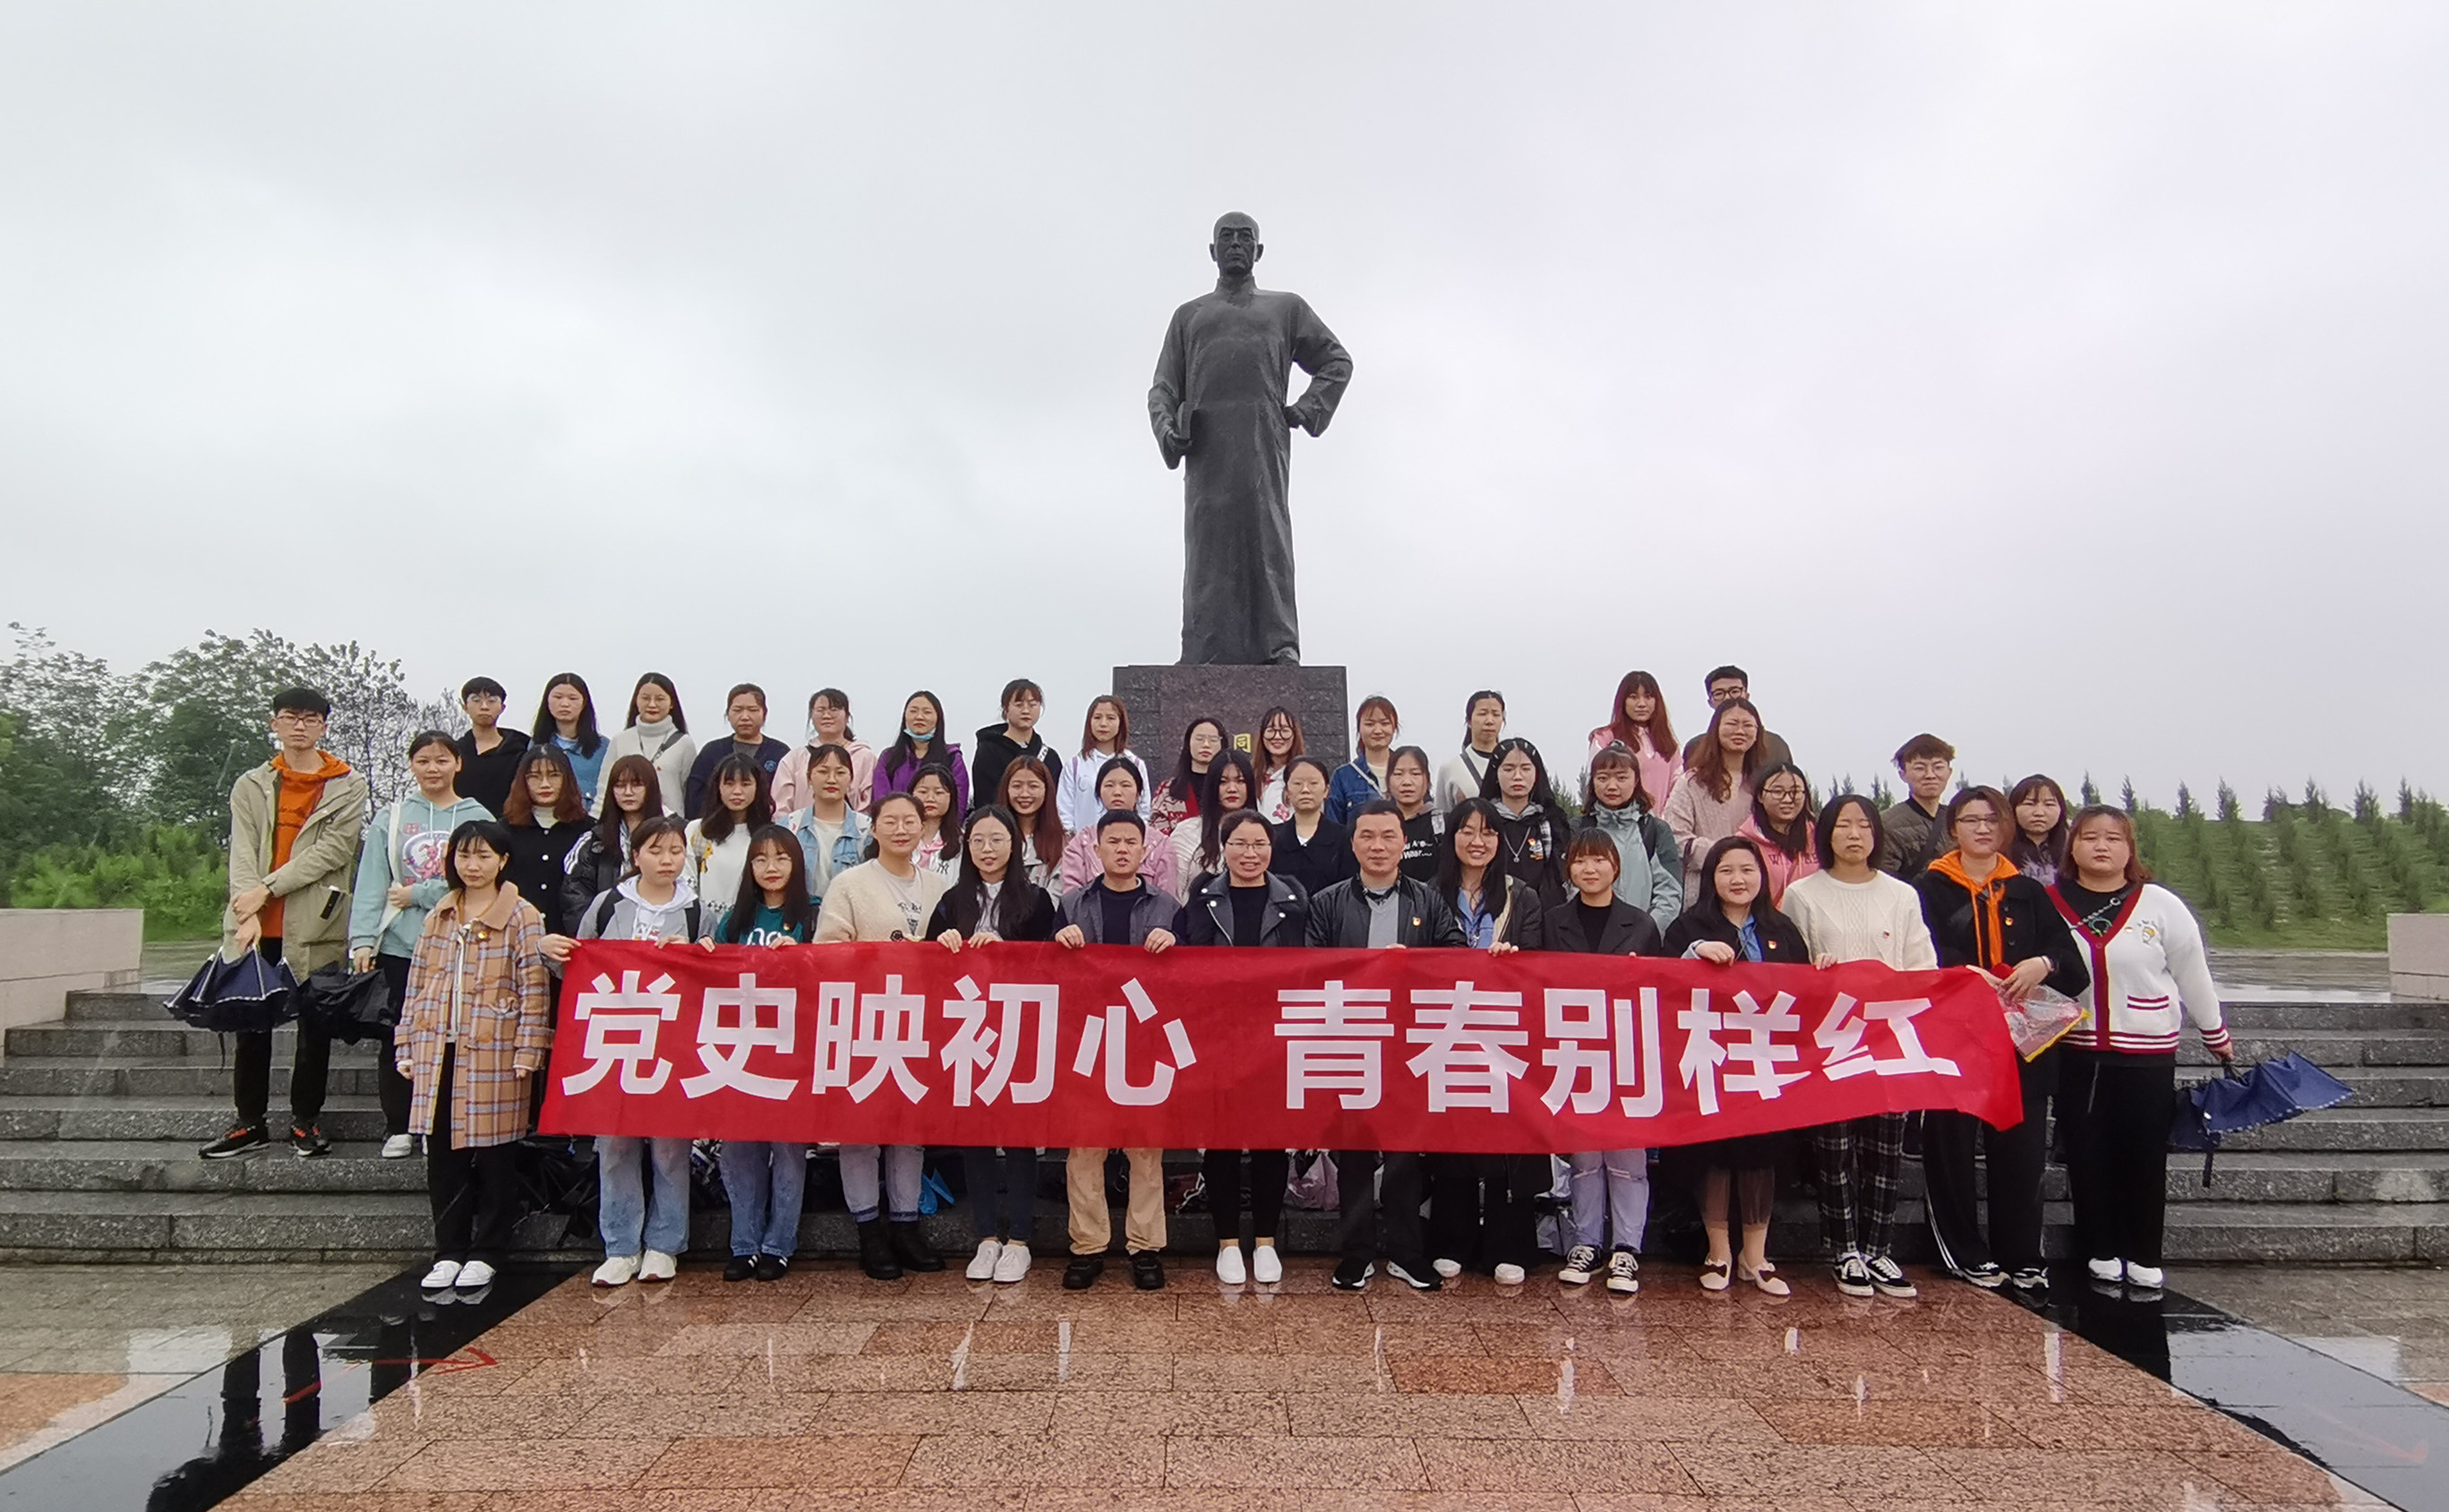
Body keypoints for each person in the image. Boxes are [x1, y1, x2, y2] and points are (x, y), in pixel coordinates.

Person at [2049, 806, 2235, 1293]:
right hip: (2077, 1049)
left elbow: (2192, 971)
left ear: (2130, 849)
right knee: (2087, 1153)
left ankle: (2145, 1252)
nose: (2101, 846)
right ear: (2072, 846)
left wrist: (2214, 1031)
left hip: (2147, 1053)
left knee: (2144, 1154)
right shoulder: (2049, 901)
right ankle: (2101, 1248)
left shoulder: (2159, 904)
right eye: (2090, 837)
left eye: (2114, 838)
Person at [1914, 785, 2090, 1293]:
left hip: (2020, 1043)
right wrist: (1961, 972)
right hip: (1951, 1040)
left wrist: (2043, 963)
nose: (1982, 829)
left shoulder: (2027, 891)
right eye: (1971, 820)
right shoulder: (1927, 888)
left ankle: (2022, 1256)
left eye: (1992, 820)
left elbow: (2071, 964)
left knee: (2021, 1150)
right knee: (1950, 1148)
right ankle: (1961, 1252)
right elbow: (1916, 955)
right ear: (1953, 829)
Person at [201, 688, 370, 1162]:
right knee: (250, 1025)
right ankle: (248, 1122)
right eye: (291, 717)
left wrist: (267, 889)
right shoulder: (251, 784)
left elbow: (333, 851)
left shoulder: (347, 784)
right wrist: (249, 910)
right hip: (256, 925)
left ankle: (305, 1120)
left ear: (323, 727)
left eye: (311, 718)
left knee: (315, 1028)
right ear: (274, 723)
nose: (300, 725)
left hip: (315, 923)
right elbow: (241, 851)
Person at [1783, 796, 1938, 1300]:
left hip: (1888, 1039)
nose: (1854, 834)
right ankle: (1844, 1249)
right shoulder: (1803, 894)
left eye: (1864, 825)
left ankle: (1879, 1249)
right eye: (1843, 825)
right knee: (1835, 1148)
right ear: (1826, 834)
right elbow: (1790, 966)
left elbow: (1921, 965)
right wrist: (1816, 971)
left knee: (1885, 1148)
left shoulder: (1901, 895)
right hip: (1829, 1041)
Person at [1309, 799, 1467, 1292]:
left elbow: (1456, 957)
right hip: (1350, 1038)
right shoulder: (1328, 902)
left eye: (1388, 836)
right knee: (1354, 1153)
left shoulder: (1429, 900)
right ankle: (1356, 1254)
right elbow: (1309, 970)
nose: (1378, 846)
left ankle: (1405, 1252)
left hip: (1408, 1042)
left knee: (1404, 1152)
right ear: (1353, 843)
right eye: (1367, 836)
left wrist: (1413, 965)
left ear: (1403, 843)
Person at [395, 821, 551, 1294]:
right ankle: (449, 1249)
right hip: (437, 1047)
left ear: (502, 861)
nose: (473, 865)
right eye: (464, 855)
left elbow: (534, 987)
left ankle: (488, 1249)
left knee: (496, 1152)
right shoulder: (440, 913)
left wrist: (529, 1048)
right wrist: (406, 1041)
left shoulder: (523, 915)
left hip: (494, 1048)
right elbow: (417, 983)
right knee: (442, 1154)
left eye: (484, 856)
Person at [1665, 835, 1811, 1296]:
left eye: (1747, 870)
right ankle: (1718, 1252)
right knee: (1714, 1153)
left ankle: (1756, 1256)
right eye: (1726, 870)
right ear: (1711, 878)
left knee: (1761, 1153)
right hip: (1708, 1058)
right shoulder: (1688, 927)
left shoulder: (1782, 929)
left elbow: (1805, 991)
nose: (1738, 879)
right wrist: (1694, 954)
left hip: (1766, 1061)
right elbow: (1662, 983)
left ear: (1762, 877)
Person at [813, 791, 947, 1279]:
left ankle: (906, 1225)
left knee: (910, 1127)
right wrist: (882, 956)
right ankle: (869, 1229)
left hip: (920, 1021)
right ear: (873, 829)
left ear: (923, 828)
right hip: (863, 1018)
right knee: (861, 1128)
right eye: (890, 821)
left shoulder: (938, 886)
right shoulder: (850, 884)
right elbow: (826, 950)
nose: (900, 829)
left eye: (910, 821)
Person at [1173, 809, 1308, 1285]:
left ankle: (1266, 1240)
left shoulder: (1293, 896)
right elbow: (1189, 959)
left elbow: (1311, 961)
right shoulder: (1203, 895)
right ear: (1224, 848)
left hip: (1275, 1033)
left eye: (1259, 844)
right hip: (1219, 1033)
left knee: (1271, 1141)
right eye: (1240, 844)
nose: (1250, 854)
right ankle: (1228, 1242)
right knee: (1223, 1140)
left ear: (1272, 848)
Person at [927, 807, 1059, 1286]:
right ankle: (986, 1237)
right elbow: (925, 968)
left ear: (1015, 845)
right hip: (967, 1032)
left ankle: (1019, 1240)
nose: (987, 849)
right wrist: (942, 943)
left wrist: (1004, 949)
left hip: (1020, 1030)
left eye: (997, 839)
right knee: (976, 1136)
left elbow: (1052, 964)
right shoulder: (951, 900)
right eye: (978, 840)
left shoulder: (1038, 901)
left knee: (1020, 1137)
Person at [342, 730, 486, 1158]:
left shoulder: (476, 816)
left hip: (459, 943)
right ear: (412, 765)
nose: (433, 769)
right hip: (400, 944)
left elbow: (480, 877)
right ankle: (400, 1124)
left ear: (458, 764)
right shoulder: (392, 817)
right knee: (398, 1034)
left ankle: (440, 1124)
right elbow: (372, 880)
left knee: (454, 1035)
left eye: (442, 760)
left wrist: (419, 893)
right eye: (423, 761)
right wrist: (362, 939)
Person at [1054, 810, 1180, 1291]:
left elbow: (1192, 975)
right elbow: (1045, 973)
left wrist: (1176, 941)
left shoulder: (1167, 906)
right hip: (1088, 1038)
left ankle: (1145, 1248)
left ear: (1145, 850)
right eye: (1113, 842)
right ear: (1097, 849)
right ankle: (1087, 1247)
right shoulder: (1071, 904)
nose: (1123, 849)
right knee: (1085, 1148)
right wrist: (1059, 942)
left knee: (1145, 1149)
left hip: (1145, 1039)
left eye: (1131, 842)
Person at [1423, 798, 1546, 1284]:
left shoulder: (1523, 896)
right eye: (1468, 831)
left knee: (1508, 1134)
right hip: (1446, 1026)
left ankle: (1507, 1243)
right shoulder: (1429, 893)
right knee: (1452, 1130)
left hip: (1504, 1027)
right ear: (1451, 837)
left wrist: (1514, 960)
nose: (1478, 841)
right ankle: (1452, 1239)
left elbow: (1538, 962)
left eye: (1489, 832)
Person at [1539, 830, 1666, 1295]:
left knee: (1628, 1156)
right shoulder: (1552, 922)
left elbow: (1663, 992)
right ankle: (1586, 1242)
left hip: (1626, 1051)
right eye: (1580, 861)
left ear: (1616, 866)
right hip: (1572, 1049)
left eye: (1599, 860)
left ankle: (1627, 1247)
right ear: (1568, 869)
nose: (1589, 869)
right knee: (1585, 1156)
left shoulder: (1642, 925)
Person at [573, 816, 698, 1286]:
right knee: (615, 1143)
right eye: (656, 851)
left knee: (670, 1146)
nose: (667, 860)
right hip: (615, 1038)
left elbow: (713, 973)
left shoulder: (695, 910)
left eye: (676, 851)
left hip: (672, 1041)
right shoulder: (609, 904)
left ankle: (665, 1243)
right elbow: (579, 963)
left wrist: (696, 951)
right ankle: (621, 1246)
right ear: (636, 855)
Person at [703, 824, 818, 1282]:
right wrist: (704, 955)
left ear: (797, 864)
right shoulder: (734, 920)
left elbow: (833, 972)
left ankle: (779, 1245)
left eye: (781, 858)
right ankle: (743, 1243)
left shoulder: (812, 914)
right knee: (738, 1150)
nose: (771, 868)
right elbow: (710, 977)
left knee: (788, 1149)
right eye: (761, 859)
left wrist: (803, 956)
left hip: (792, 1048)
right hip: (740, 1048)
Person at [1663, 698, 1767, 904]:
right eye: (1732, 723)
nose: (1740, 731)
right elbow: (1675, 836)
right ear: (1716, 729)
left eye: (1747, 725)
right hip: (1703, 890)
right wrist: (1725, 857)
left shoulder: (1764, 785)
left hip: (1753, 890)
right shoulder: (1692, 782)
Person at [1580, 742, 1683, 934]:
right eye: (1602, 778)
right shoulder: (1578, 828)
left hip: (1642, 939)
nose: (1612, 786)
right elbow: (1569, 885)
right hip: (1587, 937)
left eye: (1621, 778)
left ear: (1636, 781)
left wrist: (1646, 933)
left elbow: (1669, 892)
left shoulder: (1654, 830)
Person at [561, 754, 664, 934]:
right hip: (605, 940)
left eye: (637, 784)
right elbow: (575, 897)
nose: (628, 792)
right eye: (620, 785)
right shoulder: (593, 841)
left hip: (658, 937)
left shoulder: (671, 838)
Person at [1058, 756, 1178, 899]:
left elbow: (1167, 900)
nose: (1117, 792)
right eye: (1109, 785)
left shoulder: (1161, 844)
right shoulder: (1081, 843)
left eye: (1125, 785)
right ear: (1099, 793)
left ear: (1138, 793)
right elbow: (1072, 899)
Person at [501, 746, 587, 941]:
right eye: (534, 776)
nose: (545, 784)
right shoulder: (504, 830)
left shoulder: (588, 830)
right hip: (517, 937)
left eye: (554, 775)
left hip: (570, 939)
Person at [683, 753, 772, 941]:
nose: (737, 791)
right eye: (729, 784)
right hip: (703, 932)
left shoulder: (768, 835)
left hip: (750, 932)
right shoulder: (698, 831)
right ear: (718, 787)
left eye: (745, 784)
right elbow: (686, 884)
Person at [1481, 738, 1571, 910]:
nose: (1518, 776)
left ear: (1537, 774)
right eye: (1508, 769)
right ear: (1496, 774)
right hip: (1492, 909)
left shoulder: (1551, 822)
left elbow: (1560, 875)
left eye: (1526, 768)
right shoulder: (1483, 820)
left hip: (1543, 912)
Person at [778, 743, 869, 910]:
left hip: (850, 916)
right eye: (823, 772)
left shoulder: (866, 829)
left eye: (840, 772)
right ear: (809, 778)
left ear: (851, 779)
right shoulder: (789, 827)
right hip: (798, 916)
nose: (831, 779)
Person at [682, 684, 791, 819]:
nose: (745, 717)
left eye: (752, 710)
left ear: (764, 714)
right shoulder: (711, 751)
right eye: (737, 710)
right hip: (717, 826)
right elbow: (694, 796)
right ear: (728, 714)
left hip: (765, 826)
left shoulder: (779, 752)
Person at [1587, 671, 1683, 816]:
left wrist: (1661, 823)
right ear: (1622, 701)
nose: (1641, 704)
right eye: (1633, 697)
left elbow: (1677, 790)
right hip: (1615, 822)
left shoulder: (1669, 745)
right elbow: (1594, 784)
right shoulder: (1604, 738)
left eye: (1648, 697)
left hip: (1661, 824)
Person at [601, 673, 697, 816]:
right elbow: (604, 788)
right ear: (636, 700)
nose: (652, 704)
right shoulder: (620, 740)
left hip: (670, 825)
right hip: (625, 824)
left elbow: (690, 794)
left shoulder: (684, 743)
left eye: (660, 699)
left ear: (671, 703)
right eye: (645, 698)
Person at [771, 688, 878, 814]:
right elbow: (780, 806)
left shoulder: (864, 757)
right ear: (811, 716)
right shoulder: (795, 758)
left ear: (847, 716)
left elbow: (870, 803)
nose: (827, 716)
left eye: (834, 710)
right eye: (820, 710)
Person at [1056, 695, 1150, 831]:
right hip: (1084, 840)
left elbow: (1144, 809)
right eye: (1097, 717)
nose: (1103, 724)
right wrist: (1073, 837)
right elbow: (1065, 809)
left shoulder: (1135, 764)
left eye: (1110, 718)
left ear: (1121, 722)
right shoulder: (1075, 765)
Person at [1677, 666, 1794, 771]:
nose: (1728, 698)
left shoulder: (1775, 745)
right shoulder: (1695, 748)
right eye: (1719, 693)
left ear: (1746, 696)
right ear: (1710, 702)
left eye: (1735, 691)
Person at [873, 689, 971, 814]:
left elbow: (959, 803)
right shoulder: (889, 758)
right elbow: (881, 800)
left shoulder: (952, 758)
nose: (919, 717)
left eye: (927, 712)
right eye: (913, 711)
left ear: (938, 718)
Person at [1738, 762, 1820, 906]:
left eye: (1795, 792)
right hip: (1763, 919)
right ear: (1760, 796)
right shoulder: (1743, 843)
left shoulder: (1820, 838)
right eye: (1777, 792)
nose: (1787, 799)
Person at [1269, 755, 1352, 898]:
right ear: (1287, 792)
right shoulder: (1272, 837)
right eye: (1297, 783)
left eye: (1313, 783)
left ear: (1326, 790)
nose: (1305, 790)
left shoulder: (1344, 837)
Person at [1171, 748, 1257, 884]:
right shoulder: (1187, 833)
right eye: (1223, 782)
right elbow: (1175, 889)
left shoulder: (1263, 834)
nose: (1232, 789)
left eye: (1240, 781)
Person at [450, 677, 531, 817]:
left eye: (492, 701)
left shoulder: (523, 749)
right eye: (476, 700)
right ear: (465, 707)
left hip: (512, 824)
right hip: (463, 823)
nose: (484, 707)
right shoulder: (455, 752)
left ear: (502, 708)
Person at [1878, 734, 1956, 879]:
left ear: (1949, 772)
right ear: (1903, 775)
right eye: (1920, 768)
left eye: (1938, 767)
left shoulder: (1958, 820)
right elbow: (1884, 880)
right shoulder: (1886, 824)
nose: (1930, 775)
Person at [970, 678, 1050, 809]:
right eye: (1019, 705)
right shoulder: (988, 751)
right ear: (1005, 709)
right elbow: (985, 799)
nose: (1026, 710)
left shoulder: (1049, 757)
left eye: (1032, 704)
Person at [531, 672, 608, 810]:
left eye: (573, 698)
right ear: (547, 701)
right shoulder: (535, 745)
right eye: (558, 697)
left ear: (584, 703)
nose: (565, 704)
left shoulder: (603, 748)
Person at [998, 755, 1066, 896]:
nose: (1024, 794)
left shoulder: (1064, 842)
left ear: (1046, 789)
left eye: (1033, 786)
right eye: (1017, 786)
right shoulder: (992, 838)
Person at [1325, 695, 1399, 825]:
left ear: (1394, 728)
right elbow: (1333, 826)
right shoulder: (1343, 776)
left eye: (1385, 723)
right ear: (1359, 728)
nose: (1378, 730)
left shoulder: (1408, 771)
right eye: (1370, 724)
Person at [1150, 714, 1225, 836]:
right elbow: (1156, 835)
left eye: (1213, 740)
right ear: (1188, 743)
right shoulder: (1168, 790)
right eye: (1199, 739)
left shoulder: (1231, 788)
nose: (1206, 744)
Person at [1435, 690, 1507, 816]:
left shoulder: (1514, 765)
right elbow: (1441, 817)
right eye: (1482, 714)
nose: (1489, 721)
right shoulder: (1450, 768)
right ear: (1468, 720)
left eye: (1496, 714)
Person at [1387, 746, 1443, 881]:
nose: (1407, 782)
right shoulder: (1382, 825)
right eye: (1398, 774)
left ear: (1427, 780)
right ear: (1388, 781)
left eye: (1415, 774)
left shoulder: (1441, 823)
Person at [2008, 774, 2072, 887]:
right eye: (2030, 804)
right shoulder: (1999, 848)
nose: (2039, 813)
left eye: (2049, 804)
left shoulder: (2073, 848)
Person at [907, 764, 965, 879]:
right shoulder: (899, 836)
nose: (930, 799)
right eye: (923, 792)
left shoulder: (962, 841)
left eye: (939, 793)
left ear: (951, 797)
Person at [1253, 705, 1304, 821]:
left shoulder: (1304, 776)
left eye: (1285, 731)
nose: (1277, 737)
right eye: (1270, 731)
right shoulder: (1252, 776)